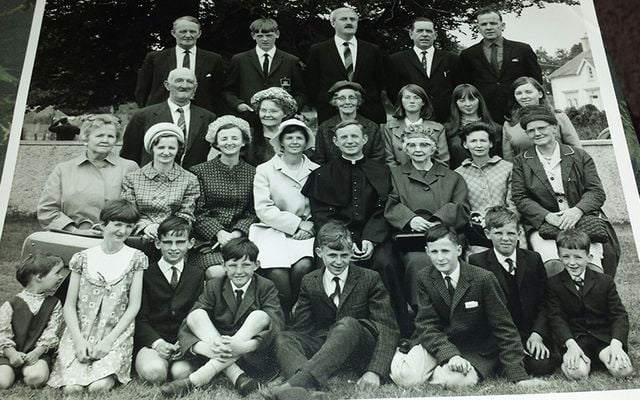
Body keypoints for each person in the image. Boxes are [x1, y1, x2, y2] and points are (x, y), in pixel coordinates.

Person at [389, 225, 543, 388]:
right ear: (427, 252)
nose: (440, 258)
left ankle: (438, 373)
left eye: (445, 251)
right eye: (434, 252)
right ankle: (414, 358)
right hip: (438, 343)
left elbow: (504, 327)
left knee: (456, 381)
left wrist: (518, 376)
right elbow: (427, 325)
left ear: (458, 250)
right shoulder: (424, 277)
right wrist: (450, 355)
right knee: (405, 378)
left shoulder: (483, 278)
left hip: (474, 348)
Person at [263, 221, 399, 399]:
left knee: (347, 323)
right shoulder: (310, 281)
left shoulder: (369, 278)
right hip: (325, 347)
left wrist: (375, 371)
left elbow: (387, 327)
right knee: (284, 337)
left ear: (351, 253)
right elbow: (301, 329)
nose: (338, 261)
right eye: (332, 255)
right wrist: (292, 351)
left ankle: (297, 383)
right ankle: (309, 393)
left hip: (359, 348)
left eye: (344, 255)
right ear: (320, 253)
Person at [302, 120, 409, 335]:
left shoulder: (383, 171)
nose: (350, 141)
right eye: (344, 137)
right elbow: (322, 214)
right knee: (327, 264)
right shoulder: (322, 174)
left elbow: (384, 208)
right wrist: (347, 242)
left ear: (364, 139)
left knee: (386, 262)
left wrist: (370, 239)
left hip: (375, 235)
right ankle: (328, 330)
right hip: (336, 237)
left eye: (354, 136)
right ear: (335, 142)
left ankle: (397, 329)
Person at [160, 238, 284, 397]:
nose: (239, 271)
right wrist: (205, 347)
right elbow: (188, 324)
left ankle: (196, 379)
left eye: (246, 265)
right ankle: (238, 377)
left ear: (256, 265)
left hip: (249, 352)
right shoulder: (214, 286)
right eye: (233, 265)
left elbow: (277, 324)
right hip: (215, 345)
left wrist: (245, 346)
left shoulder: (266, 286)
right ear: (224, 266)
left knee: (260, 316)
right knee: (196, 315)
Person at [48, 199, 148, 393]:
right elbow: (69, 305)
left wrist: (108, 341)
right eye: (117, 224)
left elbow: (133, 306)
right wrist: (78, 340)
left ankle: (107, 370)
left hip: (115, 332)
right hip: (81, 330)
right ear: (103, 225)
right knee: (72, 389)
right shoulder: (83, 258)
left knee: (98, 387)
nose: (122, 231)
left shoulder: (136, 258)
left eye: (129, 226)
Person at [510, 108, 620, 277]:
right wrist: (547, 215)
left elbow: (596, 191)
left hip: (582, 219)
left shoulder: (579, 156)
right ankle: (562, 302)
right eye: (531, 131)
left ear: (554, 128)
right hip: (544, 224)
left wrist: (577, 211)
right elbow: (520, 196)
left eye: (542, 128)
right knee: (554, 266)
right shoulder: (521, 161)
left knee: (592, 267)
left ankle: (592, 302)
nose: (537, 133)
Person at [384, 126, 469, 309]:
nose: (418, 149)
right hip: (411, 240)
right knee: (418, 262)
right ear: (405, 149)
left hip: (447, 236)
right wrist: (409, 219)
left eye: (424, 144)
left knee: (446, 257)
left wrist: (439, 221)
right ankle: (422, 314)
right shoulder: (395, 175)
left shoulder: (452, 177)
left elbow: (462, 207)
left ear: (433, 148)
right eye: (412, 145)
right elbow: (389, 202)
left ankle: (453, 312)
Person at [469, 206, 555, 376]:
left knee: (541, 367)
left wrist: (537, 334)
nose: (505, 238)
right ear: (487, 234)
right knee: (499, 365)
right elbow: (480, 312)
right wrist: (509, 343)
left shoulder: (533, 259)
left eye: (510, 233)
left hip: (530, 332)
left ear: (519, 234)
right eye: (499, 233)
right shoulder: (477, 262)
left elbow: (546, 301)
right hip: (499, 337)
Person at [249, 119, 318, 318]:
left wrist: (309, 225)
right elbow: (263, 208)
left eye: (299, 137)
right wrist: (296, 224)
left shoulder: (316, 169)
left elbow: (321, 205)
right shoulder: (264, 169)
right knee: (277, 272)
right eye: (289, 137)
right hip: (273, 230)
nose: (294, 142)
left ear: (306, 142)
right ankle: (282, 315)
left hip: (307, 230)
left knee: (303, 266)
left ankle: (301, 313)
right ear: (281, 141)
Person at [547, 229, 633, 380]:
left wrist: (616, 344)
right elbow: (556, 318)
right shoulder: (553, 284)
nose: (572, 262)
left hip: (603, 338)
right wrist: (570, 344)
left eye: (578, 257)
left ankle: (601, 359)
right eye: (566, 256)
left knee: (623, 371)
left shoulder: (605, 281)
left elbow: (619, 315)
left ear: (589, 257)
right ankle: (580, 362)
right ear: (559, 257)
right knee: (577, 373)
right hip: (576, 339)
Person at [38, 114, 138, 233]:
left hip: (117, 238)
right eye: (99, 135)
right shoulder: (63, 170)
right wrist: (75, 231)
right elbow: (47, 210)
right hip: (71, 238)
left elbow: (139, 209)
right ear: (86, 137)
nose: (105, 140)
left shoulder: (129, 168)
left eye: (110, 136)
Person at [134, 216, 205, 385]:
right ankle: (156, 362)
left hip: (182, 342)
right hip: (152, 342)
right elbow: (139, 318)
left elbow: (196, 315)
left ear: (191, 243)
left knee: (182, 373)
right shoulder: (145, 274)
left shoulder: (197, 275)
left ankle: (176, 364)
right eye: (167, 242)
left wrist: (184, 342)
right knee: (155, 373)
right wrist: (157, 343)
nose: (173, 248)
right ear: (158, 243)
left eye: (180, 242)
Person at [190, 116, 256, 278]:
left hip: (241, 240)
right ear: (216, 143)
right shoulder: (199, 171)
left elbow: (253, 211)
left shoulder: (254, 173)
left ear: (243, 142)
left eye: (235, 138)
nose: (229, 142)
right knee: (219, 272)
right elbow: (198, 211)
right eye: (224, 139)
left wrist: (236, 234)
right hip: (206, 242)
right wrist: (219, 232)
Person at [459, 7, 542, 126]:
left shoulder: (522, 50)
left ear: (502, 26)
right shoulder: (468, 54)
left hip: (519, 112)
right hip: (485, 115)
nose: (488, 27)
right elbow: (465, 86)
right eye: (484, 24)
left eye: (493, 23)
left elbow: (536, 81)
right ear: (478, 28)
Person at [122, 67, 217, 169]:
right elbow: (129, 155)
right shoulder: (143, 116)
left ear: (195, 87)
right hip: (153, 180)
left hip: (194, 180)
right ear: (167, 85)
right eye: (179, 80)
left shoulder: (208, 118)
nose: (184, 85)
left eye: (189, 82)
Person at [305, 7, 387, 124]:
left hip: (368, 112)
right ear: (333, 23)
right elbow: (312, 82)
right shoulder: (318, 50)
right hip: (330, 112)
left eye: (353, 19)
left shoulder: (372, 50)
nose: (349, 22)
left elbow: (379, 81)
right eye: (344, 19)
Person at [120, 123, 200, 243]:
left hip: (174, 237)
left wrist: (166, 230)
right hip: (138, 237)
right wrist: (146, 227)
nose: (166, 152)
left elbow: (186, 214)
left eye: (171, 148)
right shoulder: (132, 178)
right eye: (161, 147)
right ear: (152, 148)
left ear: (178, 149)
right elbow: (129, 212)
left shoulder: (190, 179)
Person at [135, 16, 225, 114]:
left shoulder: (213, 59)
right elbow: (142, 90)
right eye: (183, 31)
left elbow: (218, 92)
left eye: (192, 31)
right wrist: (149, 112)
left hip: (200, 116)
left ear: (199, 34)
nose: (188, 35)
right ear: (173, 33)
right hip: (161, 113)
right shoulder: (155, 58)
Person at [0, 254, 64, 389]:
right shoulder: (11, 304)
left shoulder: (54, 304)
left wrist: (37, 353)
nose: (60, 277)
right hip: (10, 354)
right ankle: (10, 371)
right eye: (57, 273)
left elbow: (51, 332)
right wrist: (11, 353)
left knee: (36, 379)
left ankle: (30, 371)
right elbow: (2, 333)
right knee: (2, 382)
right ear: (39, 277)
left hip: (38, 354)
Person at [223, 17, 306, 119]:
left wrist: (290, 109)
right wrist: (238, 105)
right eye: (260, 36)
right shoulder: (239, 60)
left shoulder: (291, 61)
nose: (265, 39)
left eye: (269, 35)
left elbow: (301, 92)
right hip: (249, 117)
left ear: (277, 34)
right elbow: (228, 90)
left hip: (280, 119)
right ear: (253, 36)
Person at [454, 121, 516, 250]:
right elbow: (461, 207)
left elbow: (514, 202)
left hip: (508, 227)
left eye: (483, 140)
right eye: (473, 141)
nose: (478, 145)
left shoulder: (508, 168)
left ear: (491, 143)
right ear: (465, 144)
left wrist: (505, 221)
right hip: (476, 232)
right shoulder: (458, 174)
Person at [389, 17, 459, 123]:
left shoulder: (451, 59)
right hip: (411, 119)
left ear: (435, 35)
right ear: (411, 34)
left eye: (429, 31)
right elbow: (392, 91)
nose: (425, 34)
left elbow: (458, 88)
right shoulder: (396, 60)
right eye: (420, 31)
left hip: (446, 120)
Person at [502, 78, 582, 161]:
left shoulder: (559, 117)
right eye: (518, 93)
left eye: (528, 92)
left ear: (540, 94)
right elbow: (509, 159)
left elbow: (576, 149)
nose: (524, 97)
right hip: (525, 171)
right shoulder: (509, 125)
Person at [312, 80, 384, 165]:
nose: (347, 102)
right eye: (342, 98)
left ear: (358, 101)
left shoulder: (372, 127)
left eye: (352, 98)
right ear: (335, 102)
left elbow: (378, 158)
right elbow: (319, 160)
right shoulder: (324, 128)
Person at [383, 84, 449, 167]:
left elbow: (442, 161)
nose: (412, 101)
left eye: (416, 97)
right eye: (407, 97)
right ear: (401, 101)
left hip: (430, 177)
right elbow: (389, 160)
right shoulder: (390, 127)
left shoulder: (437, 128)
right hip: (400, 176)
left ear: (423, 102)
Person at [444, 83, 501, 169]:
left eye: (471, 99)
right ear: (456, 103)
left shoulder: (495, 128)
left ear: (479, 100)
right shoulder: (448, 129)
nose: (468, 104)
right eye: (462, 100)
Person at [245, 87, 299, 166]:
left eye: (273, 111)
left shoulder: (293, 136)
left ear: (285, 113)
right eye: (263, 110)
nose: (267, 115)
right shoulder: (249, 136)